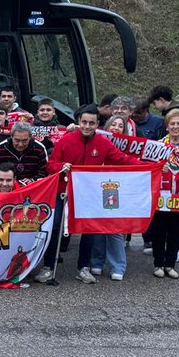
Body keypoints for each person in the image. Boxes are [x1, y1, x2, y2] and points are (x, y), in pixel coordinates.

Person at [47, 104, 139, 284]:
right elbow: (50, 165)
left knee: (88, 229)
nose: (87, 126)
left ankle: (83, 267)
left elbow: (123, 160)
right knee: (56, 225)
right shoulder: (66, 140)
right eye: (84, 122)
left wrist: (151, 166)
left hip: (88, 194)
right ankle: (48, 266)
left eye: (91, 123)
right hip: (63, 191)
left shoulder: (103, 143)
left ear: (97, 125)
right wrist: (61, 167)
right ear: (79, 122)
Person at [149, 108, 179, 278]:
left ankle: (170, 264)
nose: (175, 127)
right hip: (161, 196)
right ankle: (158, 264)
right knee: (159, 231)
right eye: (172, 123)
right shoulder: (158, 146)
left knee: (177, 231)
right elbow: (148, 169)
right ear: (167, 126)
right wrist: (159, 168)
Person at [89, 115, 134, 281]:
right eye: (113, 124)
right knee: (97, 228)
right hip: (96, 189)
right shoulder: (97, 142)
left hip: (118, 190)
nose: (116, 127)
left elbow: (133, 162)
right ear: (106, 127)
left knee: (116, 230)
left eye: (120, 125)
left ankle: (118, 266)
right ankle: (97, 262)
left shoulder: (130, 147)